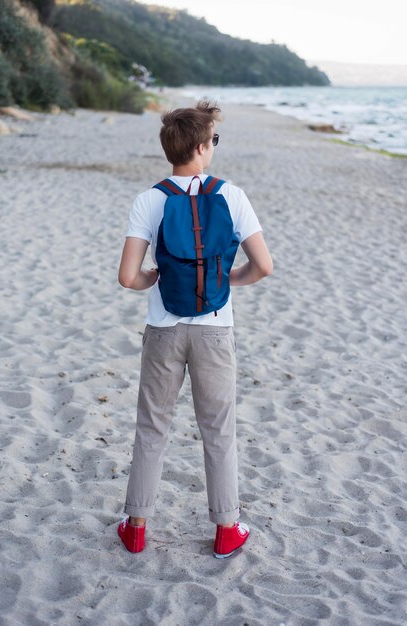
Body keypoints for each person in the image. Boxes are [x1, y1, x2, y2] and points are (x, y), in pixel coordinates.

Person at [117, 100, 273, 558]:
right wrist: (227, 282)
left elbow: (128, 277)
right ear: (203, 147)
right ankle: (227, 529)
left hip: (164, 327)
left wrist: (155, 278)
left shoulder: (150, 199)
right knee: (218, 429)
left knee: (152, 426)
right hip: (214, 329)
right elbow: (263, 266)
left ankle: (137, 527)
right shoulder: (232, 195)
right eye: (214, 141)